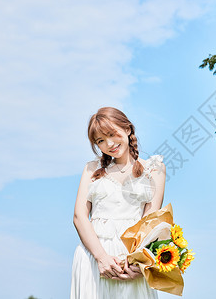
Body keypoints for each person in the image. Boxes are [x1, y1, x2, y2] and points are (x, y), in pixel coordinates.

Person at [70, 107, 166, 299]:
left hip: (131, 262)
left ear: (128, 129)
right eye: (100, 141)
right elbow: (79, 217)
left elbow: (151, 220)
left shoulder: (154, 169)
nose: (109, 144)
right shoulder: (91, 168)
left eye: (112, 134)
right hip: (93, 258)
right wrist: (101, 258)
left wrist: (140, 262)